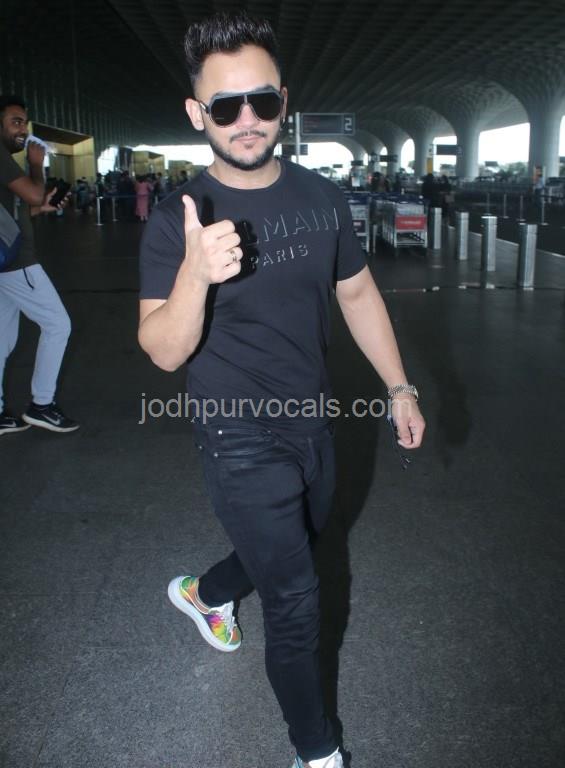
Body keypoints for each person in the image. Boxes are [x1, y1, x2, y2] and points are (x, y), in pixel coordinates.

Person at [138, 12, 424, 768]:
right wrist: (196, 274)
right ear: (197, 113)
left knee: (299, 542)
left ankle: (205, 593)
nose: (247, 120)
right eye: (225, 106)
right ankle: (317, 753)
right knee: (296, 598)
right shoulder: (177, 220)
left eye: (261, 101)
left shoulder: (322, 197)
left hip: (314, 419)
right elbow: (163, 351)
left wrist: (398, 386)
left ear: (283, 103)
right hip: (235, 433)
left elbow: (357, 295)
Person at [0, 94, 79, 434]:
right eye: (15, 122)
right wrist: (36, 164)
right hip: (17, 263)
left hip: (4, 262)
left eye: (25, 123)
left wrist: (41, 208)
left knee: (2, 340)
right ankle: (41, 405)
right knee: (58, 325)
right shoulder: (2, 157)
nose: (23, 129)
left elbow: (18, 210)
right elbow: (32, 193)